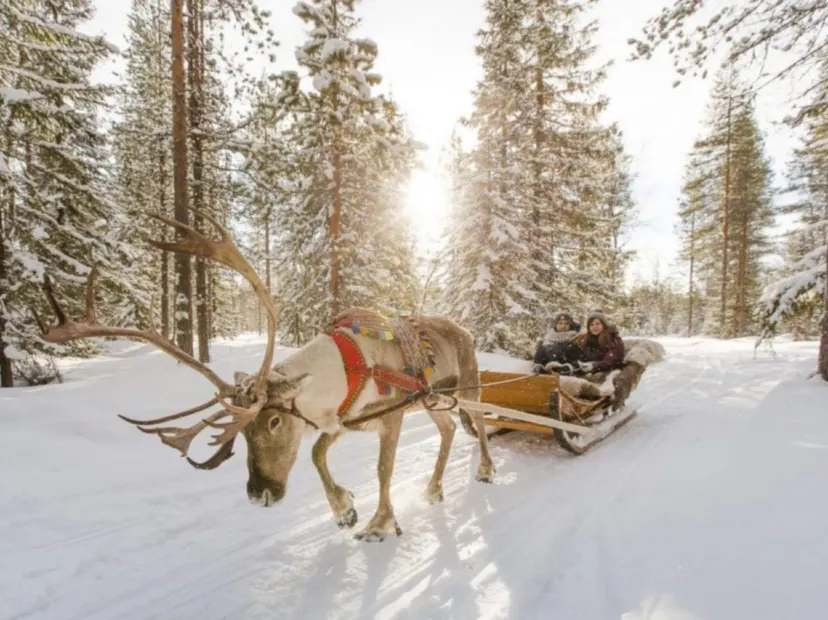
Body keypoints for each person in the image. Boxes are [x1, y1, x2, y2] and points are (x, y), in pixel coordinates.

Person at [568, 309, 625, 374]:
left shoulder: (613, 339)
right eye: (591, 325)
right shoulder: (587, 338)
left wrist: (593, 365)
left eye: (598, 324)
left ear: (604, 325)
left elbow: (609, 361)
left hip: (608, 371)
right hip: (590, 370)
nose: (594, 327)